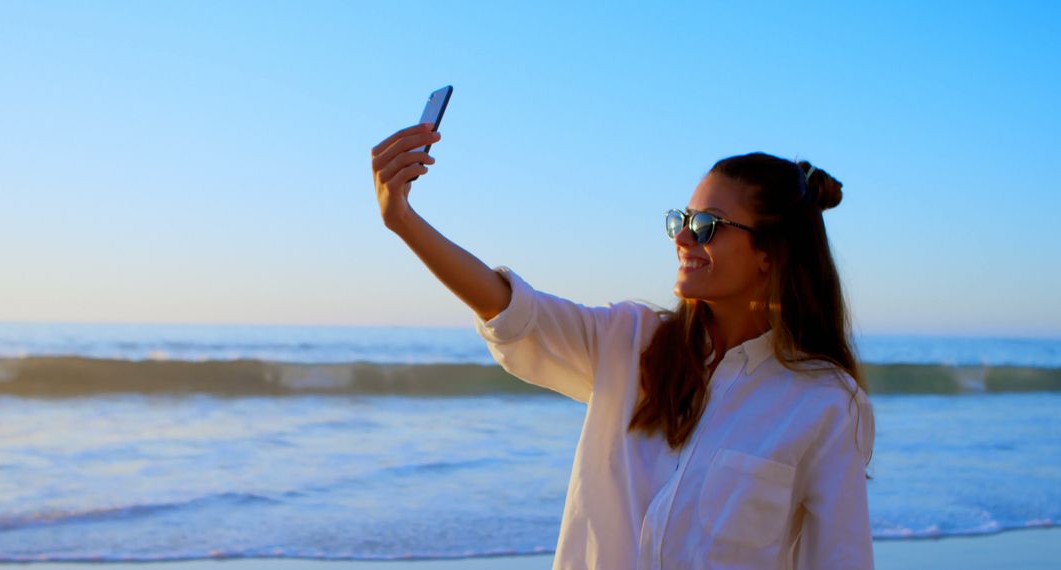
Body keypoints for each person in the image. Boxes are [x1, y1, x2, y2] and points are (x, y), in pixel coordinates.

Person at [370, 122, 875, 569]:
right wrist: (404, 222)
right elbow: (512, 310)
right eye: (680, 221)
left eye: (705, 227)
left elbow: (839, 557)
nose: (683, 239)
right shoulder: (630, 342)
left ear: (770, 253)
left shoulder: (825, 401)